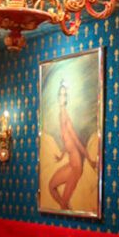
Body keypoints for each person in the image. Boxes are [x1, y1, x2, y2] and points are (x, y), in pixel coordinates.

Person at [47, 81, 98, 210]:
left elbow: (76, 142)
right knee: (51, 186)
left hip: (76, 167)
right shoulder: (60, 115)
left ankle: (66, 211)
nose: (62, 97)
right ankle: (66, 209)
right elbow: (67, 143)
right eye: (60, 94)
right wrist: (61, 156)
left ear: (66, 98)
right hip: (71, 163)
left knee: (63, 202)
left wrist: (90, 160)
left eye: (64, 95)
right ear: (58, 97)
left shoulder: (66, 118)